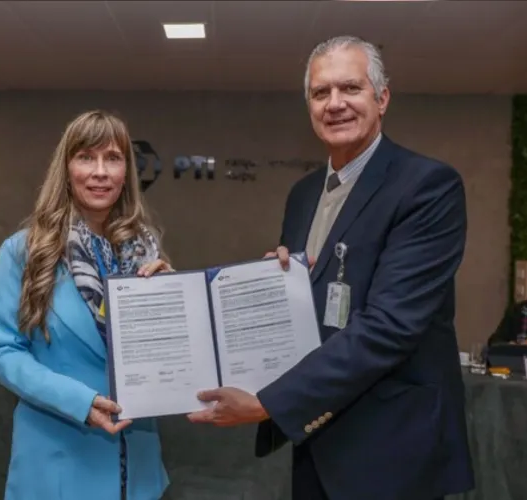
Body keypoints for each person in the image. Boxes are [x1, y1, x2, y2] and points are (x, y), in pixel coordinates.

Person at [186, 36, 474, 500]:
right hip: (319, 438)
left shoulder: (427, 187)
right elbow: (316, 309)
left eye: (350, 89)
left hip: (393, 450)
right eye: (321, 93)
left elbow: (391, 326)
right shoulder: (303, 195)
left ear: (381, 98)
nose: (335, 103)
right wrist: (274, 289)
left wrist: (268, 402)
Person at [0, 110, 172, 500]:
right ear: (66, 168)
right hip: (58, 463)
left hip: (137, 471)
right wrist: (80, 402)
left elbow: (165, 360)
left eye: (113, 158)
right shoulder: (24, 251)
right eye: (86, 157)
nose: (100, 172)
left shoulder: (145, 249)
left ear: (126, 172)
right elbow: (0, 353)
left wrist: (173, 304)